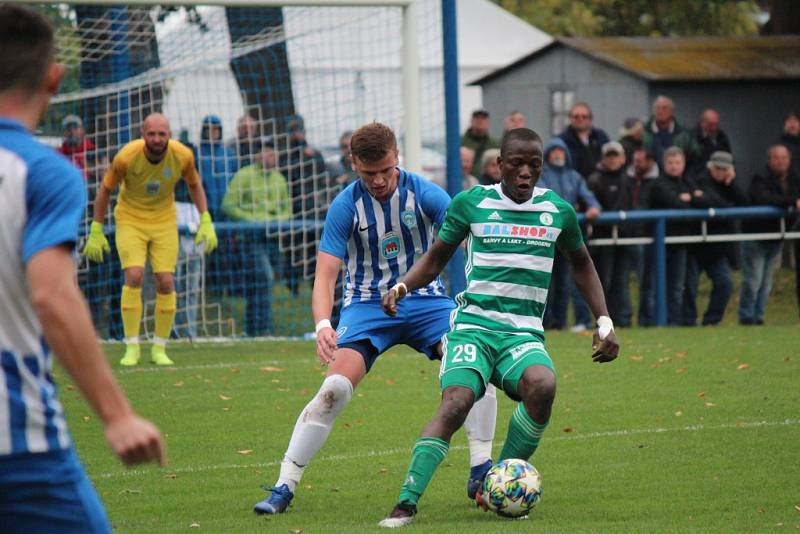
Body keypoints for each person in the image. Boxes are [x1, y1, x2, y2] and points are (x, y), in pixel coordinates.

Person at [378, 128, 619, 527]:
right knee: (457, 402)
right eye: (517, 164)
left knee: (543, 385)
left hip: (521, 334)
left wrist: (605, 321)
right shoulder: (472, 203)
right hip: (473, 327)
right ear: (500, 165)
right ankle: (406, 502)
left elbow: (581, 264)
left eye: (534, 165)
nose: (525, 173)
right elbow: (437, 257)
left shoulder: (558, 211)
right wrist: (403, 285)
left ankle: (501, 482)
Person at [253, 122, 498, 515]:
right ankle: (284, 485)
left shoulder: (426, 194)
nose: (380, 180)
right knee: (333, 389)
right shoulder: (345, 206)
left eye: (386, 170)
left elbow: (475, 240)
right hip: (366, 306)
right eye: (369, 174)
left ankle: (481, 470)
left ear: (396, 157)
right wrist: (322, 325)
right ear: (353, 164)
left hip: (428, 302)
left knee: (475, 369)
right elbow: (325, 276)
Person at [0, 6, 165, 531]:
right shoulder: (44, 172)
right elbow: (51, 296)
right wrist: (117, 416)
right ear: (54, 75)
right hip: (17, 444)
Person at [83, 113, 219, 366]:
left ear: (169, 134)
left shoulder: (183, 155)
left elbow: (195, 185)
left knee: (166, 281)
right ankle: (132, 346)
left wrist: (206, 219)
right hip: (130, 218)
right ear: (142, 134)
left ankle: (159, 348)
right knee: (133, 275)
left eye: (162, 134)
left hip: (164, 220)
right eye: (151, 134)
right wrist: (96, 228)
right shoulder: (126, 156)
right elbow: (104, 190)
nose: (157, 139)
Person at [222, 142, 291, 336]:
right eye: (266, 152)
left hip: (272, 237)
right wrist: (253, 220)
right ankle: (264, 328)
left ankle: (254, 329)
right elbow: (228, 205)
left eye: (273, 152)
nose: (270, 156)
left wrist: (278, 220)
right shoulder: (244, 175)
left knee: (260, 283)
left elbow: (287, 209)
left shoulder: (279, 179)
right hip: (250, 237)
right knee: (264, 277)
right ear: (257, 155)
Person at [538, 138, 601, 331]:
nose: (558, 155)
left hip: (567, 236)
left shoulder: (574, 176)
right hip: (546, 236)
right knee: (546, 282)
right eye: (554, 151)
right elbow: (541, 197)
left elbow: (590, 198)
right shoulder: (542, 175)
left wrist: (593, 208)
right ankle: (544, 322)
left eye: (561, 151)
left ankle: (561, 321)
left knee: (565, 282)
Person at [682, 151, 747, 326]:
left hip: (717, 248)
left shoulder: (729, 184)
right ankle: (688, 321)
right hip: (696, 245)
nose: (720, 172)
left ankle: (712, 321)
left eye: (724, 169)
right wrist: (725, 206)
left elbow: (744, 202)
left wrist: (731, 183)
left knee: (725, 283)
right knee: (689, 287)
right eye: (717, 168)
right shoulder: (700, 178)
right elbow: (702, 201)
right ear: (710, 166)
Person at [739, 144, 800, 325]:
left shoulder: (793, 179)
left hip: (775, 237)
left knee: (766, 283)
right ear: (769, 160)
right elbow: (763, 198)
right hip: (755, 236)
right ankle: (746, 316)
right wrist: (791, 202)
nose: (780, 162)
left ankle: (759, 317)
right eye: (777, 158)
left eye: (784, 158)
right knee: (753, 280)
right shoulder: (760, 178)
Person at [646, 146, 706, 326]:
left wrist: (692, 198)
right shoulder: (658, 184)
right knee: (654, 285)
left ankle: (675, 322)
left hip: (680, 241)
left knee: (678, 286)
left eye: (678, 162)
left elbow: (704, 202)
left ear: (684, 164)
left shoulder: (688, 182)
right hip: (658, 243)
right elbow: (673, 202)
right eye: (670, 162)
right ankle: (652, 322)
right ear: (664, 164)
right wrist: (688, 199)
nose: (674, 166)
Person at [587, 141, 634, 326]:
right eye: (609, 156)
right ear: (603, 158)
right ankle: (603, 320)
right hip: (603, 237)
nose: (613, 160)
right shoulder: (595, 180)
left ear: (622, 159)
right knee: (603, 280)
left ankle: (622, 320)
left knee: (621, 280)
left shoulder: (627, 180)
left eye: (616, 156)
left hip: (624, 237)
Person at [626, 149, 659, 326]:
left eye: (641, 161)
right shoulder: (627, 180)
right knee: (624, 282)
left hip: (648, 237)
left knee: (648, 282)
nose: (637, 164)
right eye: (635, 160)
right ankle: (624, 319)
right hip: (628, 235)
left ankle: (647, 320)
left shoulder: (656, 183)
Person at [642, 96, 699, 170]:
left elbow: (695, 155)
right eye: (657, 108)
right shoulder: (644, 132)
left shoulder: (683, 133)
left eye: (664, 108)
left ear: (672, 111)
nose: (660, 111)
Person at [558, 102, 610, 180]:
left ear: (590, 119)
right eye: (576, 117)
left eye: (584, 117)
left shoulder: (600, 136)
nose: (580, 119)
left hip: (598, 184)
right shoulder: (562, 140)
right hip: (573, 184)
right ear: (570, 118)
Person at [688, 108, 732, 179]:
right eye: (711, 125)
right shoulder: (691, 137)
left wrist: (731, 168)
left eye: (716, 124)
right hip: (700, 178)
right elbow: (691, 165)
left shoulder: (721, 136)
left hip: (722, 177)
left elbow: (728, 156)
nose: (714, 128)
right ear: (702, 123)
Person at [461, 109, 500, 178]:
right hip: (465, 180)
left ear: (488, 123)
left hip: (487, 183)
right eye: (477, 118)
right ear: (471, 121)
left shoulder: (495, 144)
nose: (480, 121)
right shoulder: (459, 142)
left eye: (483, 119)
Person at [59, 113, 96, 178]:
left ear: (82, 130)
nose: (72, 132)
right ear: (64, 133)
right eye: (68, 128)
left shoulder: (92, 150)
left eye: (75, 127)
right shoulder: (59, 154)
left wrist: (90, 168)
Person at [778, 111, 800, 176]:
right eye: (789, 120)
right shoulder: (778, 146)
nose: (792, 124)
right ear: (784, 125)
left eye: (795, 120)